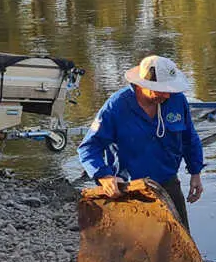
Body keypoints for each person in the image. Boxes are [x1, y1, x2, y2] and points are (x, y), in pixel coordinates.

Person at [77, 54, 205, 229]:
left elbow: (189, 137)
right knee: (136, 246)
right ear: (142, 85)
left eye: (169, 89)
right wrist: (104, 176)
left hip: (167, 183)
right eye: (161, 89)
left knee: (179, 238)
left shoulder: (177, 100)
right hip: (128, 188)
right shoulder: (116, 106)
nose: (167, 95)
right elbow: (89, 147)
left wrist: (195, 172)